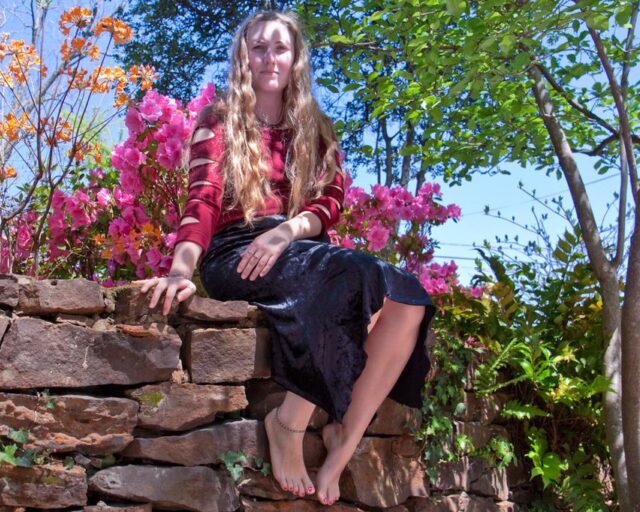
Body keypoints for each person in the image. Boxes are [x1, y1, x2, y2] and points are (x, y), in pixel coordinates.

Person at [138, 10, 434, 506]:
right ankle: (288, 424)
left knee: (409, 297)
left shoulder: (316, 127)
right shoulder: (220, 120)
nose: (268, 57)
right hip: (237, 253)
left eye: (280, 48)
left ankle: (342, 445)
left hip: (296, 247)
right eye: (258, 47)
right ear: (243, 56)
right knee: (357, 275)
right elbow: (202, 201)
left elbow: (331, 200)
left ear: (295, 58)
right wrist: (180, 270)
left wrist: (289, 232)